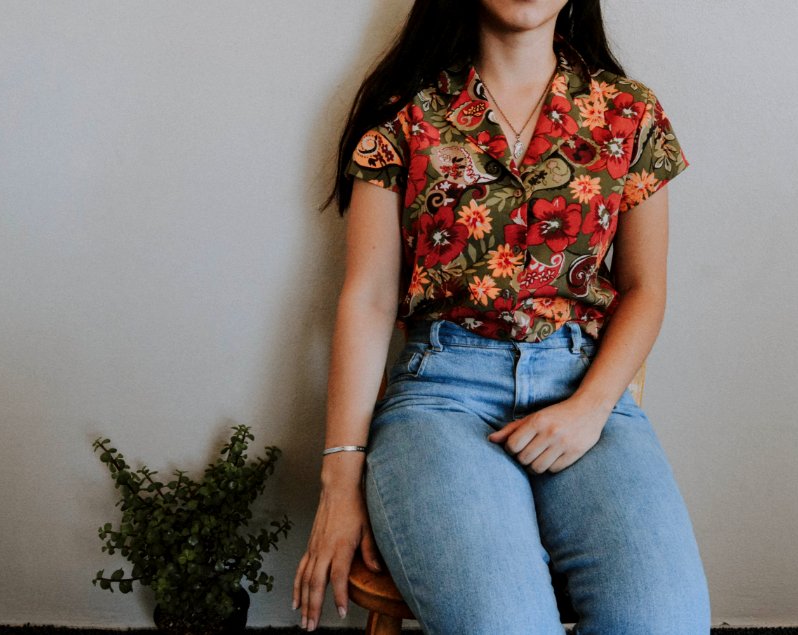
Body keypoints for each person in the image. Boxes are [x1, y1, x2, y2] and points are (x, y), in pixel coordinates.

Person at [293, 0, 710, 632]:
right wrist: (339, 478)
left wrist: (591, 407)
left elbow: (645, 288)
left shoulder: (632, 112)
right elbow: (368, 299)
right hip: (442, 396)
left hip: (585, 389)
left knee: (665, 621)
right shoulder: (402, 112)